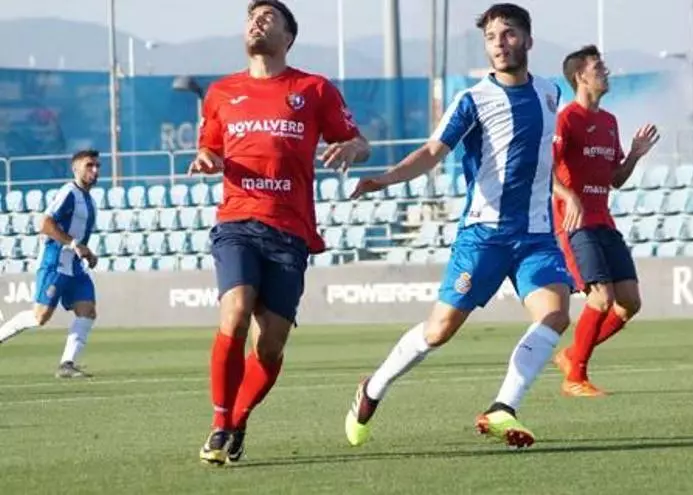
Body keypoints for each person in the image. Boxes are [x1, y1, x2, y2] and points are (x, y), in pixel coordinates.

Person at [344, 3, 572, 450]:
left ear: (528, 40)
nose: (499, 44)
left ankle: (503, 407)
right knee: (439, 330)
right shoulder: (473, 100)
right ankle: (372, 388)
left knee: (555, 314)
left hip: (536, 234)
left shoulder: (550, 92)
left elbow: (541, 159)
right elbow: (433, 152)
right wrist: (386, 178)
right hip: (484, 235)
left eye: (508, 34)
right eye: (491, 37)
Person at [189, 0, 370, 465]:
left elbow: (360, 142)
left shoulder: (313, 89)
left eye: (268, 17)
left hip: (290, 230)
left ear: (288, 37)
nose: (257, 22)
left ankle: (238, 420)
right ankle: (219, 424)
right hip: (236, 221)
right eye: (252, 17)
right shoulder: (222, 92)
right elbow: (209, 148)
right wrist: (207, 158)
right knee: (235, 311)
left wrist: (353, 148)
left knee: (269, 346)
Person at [551, 45, 659, 396]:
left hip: (604, 222)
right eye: (599, 67)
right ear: (580, 76)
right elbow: (542, 170)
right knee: (600, 298)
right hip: (574, 224)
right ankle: (575, 378)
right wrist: (568, 196)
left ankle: (572, 355)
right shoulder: (566, 119)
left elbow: (616, 179)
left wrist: (635, 155)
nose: (606, 72)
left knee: (629, 303)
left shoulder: (609, 122)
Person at [0, 149, 100, 379]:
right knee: (40, 317)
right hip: (55, 263)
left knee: (87, 311)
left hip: (75, 267)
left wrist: (87, 253)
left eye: (97, 166)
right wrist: (73, 244)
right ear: (75, 169)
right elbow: (45, 223)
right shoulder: (69, 193)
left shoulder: (90, 201)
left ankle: (67, 364)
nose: (94, 170)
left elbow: (78, 238)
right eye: (89, 165)